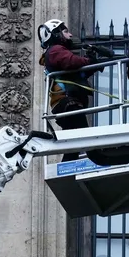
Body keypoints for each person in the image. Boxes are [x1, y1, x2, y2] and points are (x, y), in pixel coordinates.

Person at [37, 19, 108, 161]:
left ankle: (67, 167)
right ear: (56, 34)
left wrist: (91, 64)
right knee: (84, 135)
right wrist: (89, 61)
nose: (70, 35)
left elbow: (77, 74)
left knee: (73, 141)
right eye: (66, 31)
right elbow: (72, 62)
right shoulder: (56, 50)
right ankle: (102, 159)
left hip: (66, 103)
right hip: (68, 102)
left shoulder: (57, 53)